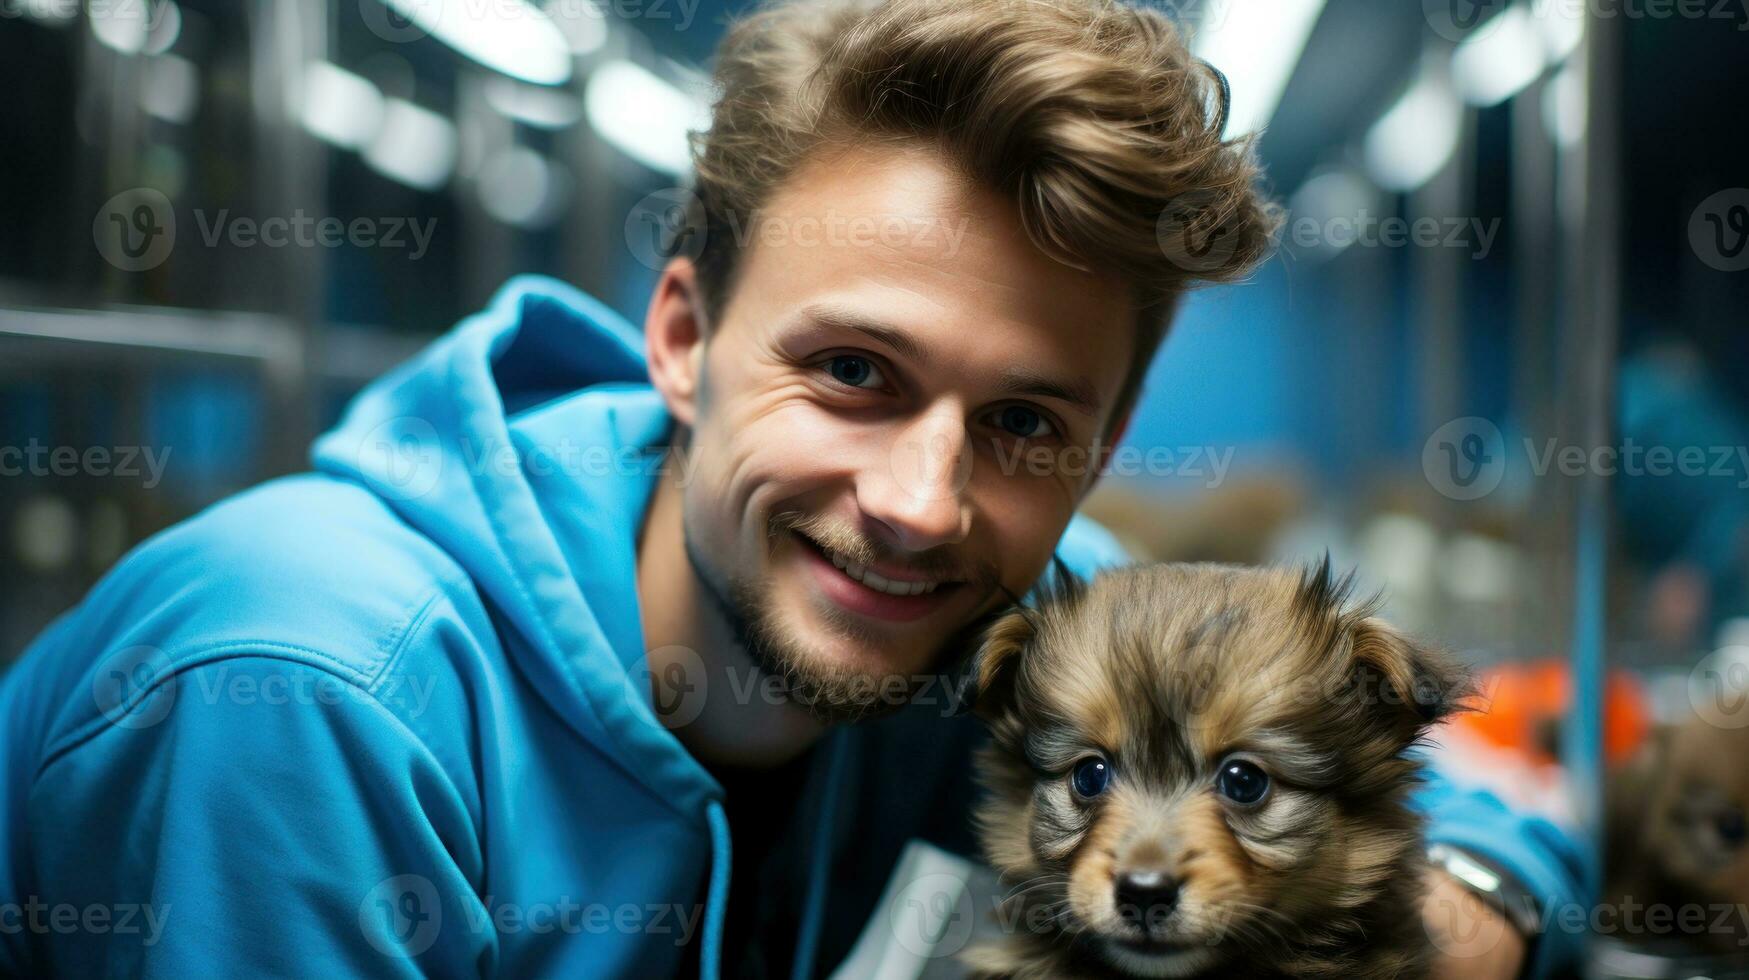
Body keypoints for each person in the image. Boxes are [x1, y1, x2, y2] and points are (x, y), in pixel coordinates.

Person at [0, 0, 1584, 976]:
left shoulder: (1051, 618)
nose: (916, 502)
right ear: (680, 336)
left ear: (1096, 449)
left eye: (1026, 422)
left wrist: (1466, 908)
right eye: (852, 374)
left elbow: (1478, 794)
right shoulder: (306, 694)